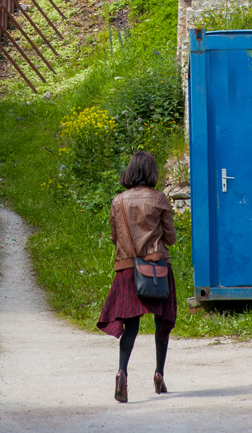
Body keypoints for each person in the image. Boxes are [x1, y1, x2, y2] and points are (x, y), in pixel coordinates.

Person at [97, 150, 177, 403]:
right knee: (161, 321)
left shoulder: (118, 200)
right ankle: (159, 375)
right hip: (156, 269)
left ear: (131, 170)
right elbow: (171, 238)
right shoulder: (159, 199)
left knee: (130, 325)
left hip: (127, 270)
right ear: (152, 172)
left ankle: (122, 372)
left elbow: (114, 237)